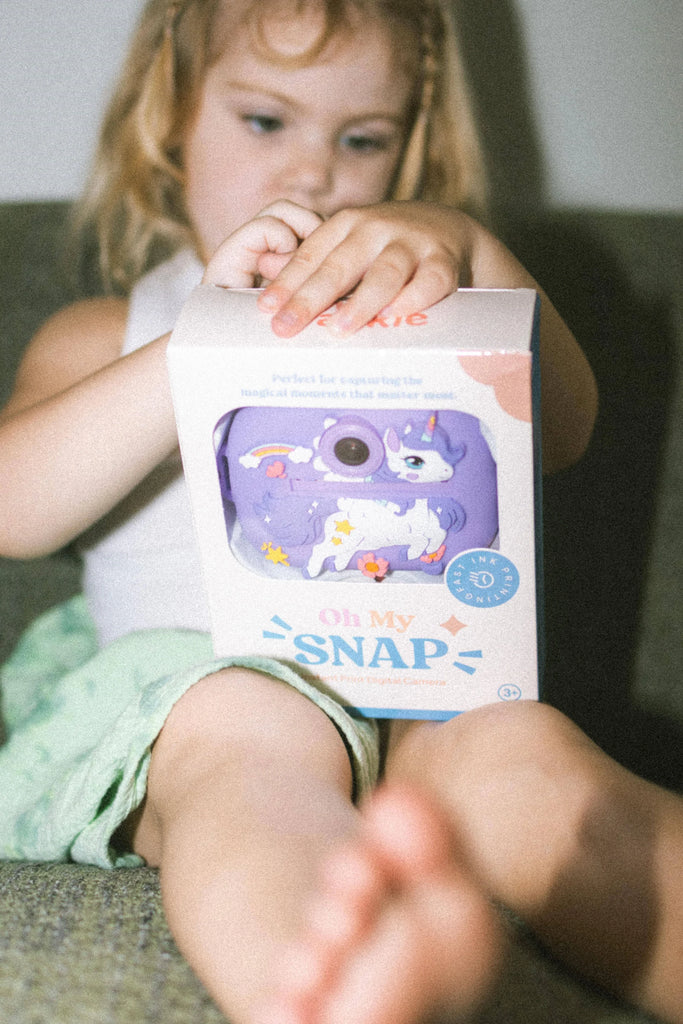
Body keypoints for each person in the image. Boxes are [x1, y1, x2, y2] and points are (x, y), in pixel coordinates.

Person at [0, 1, 679, 1023]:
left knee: (525, 761)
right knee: (253, 734)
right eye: (265, 121)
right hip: (196, 700)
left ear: (407, 151)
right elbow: (15, 508)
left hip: (419, 692)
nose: (310, 173)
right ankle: (330, 987)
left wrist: (467, 250)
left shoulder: (418, 309)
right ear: (169, 118)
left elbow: (567, 429)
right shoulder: (105, 330)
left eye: (359, 138)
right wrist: (197, 346)